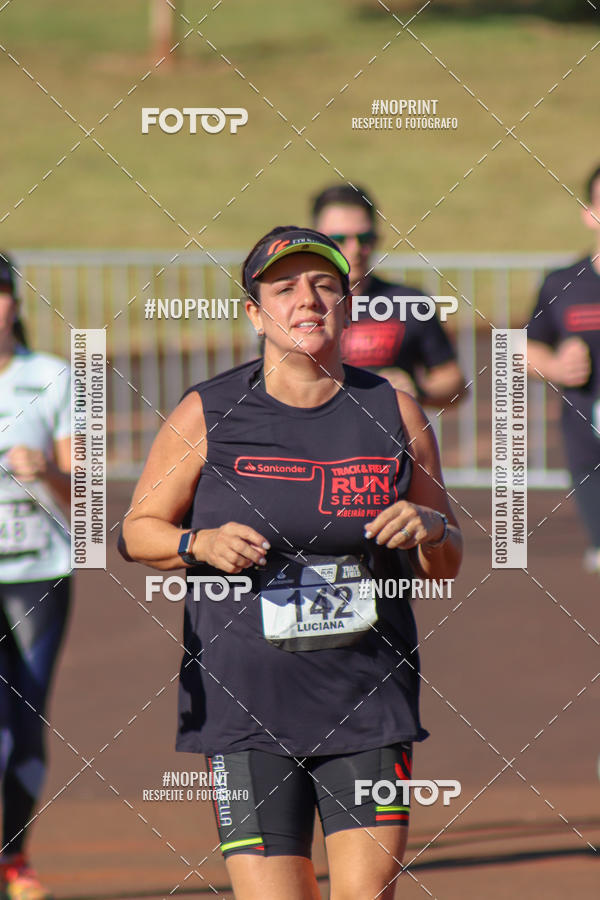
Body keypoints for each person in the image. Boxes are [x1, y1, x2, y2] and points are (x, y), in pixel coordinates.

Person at [120, 227, 462, 900]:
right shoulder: (208, 411)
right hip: (247, 707)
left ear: (348, 304)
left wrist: (429, 525)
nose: (308, 299)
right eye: (285, 289)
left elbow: (444, 563)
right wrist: (199, 544)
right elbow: (136, 532)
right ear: (255, 313)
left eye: (325, 286)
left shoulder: (393, 411)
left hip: (366, 699)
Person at [0, 253, 72, 899]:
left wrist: (44, 470)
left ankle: (14, 858)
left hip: (38, 575)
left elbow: (93, 496)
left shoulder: (54, 377)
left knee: (24, 721)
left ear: (15, 303)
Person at [311, 183, 466, 407]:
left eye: (364, 239)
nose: (354, 249)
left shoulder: (410, 302)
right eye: (340, 239)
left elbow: (454, 382)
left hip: (390, 438)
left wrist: (418, 390)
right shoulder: (297, 305)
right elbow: (266, 378)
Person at [526, 165, 600, 573]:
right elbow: (524, 348)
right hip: (587, 447)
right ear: (589, 214)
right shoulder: (563, 283)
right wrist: (555, 364)